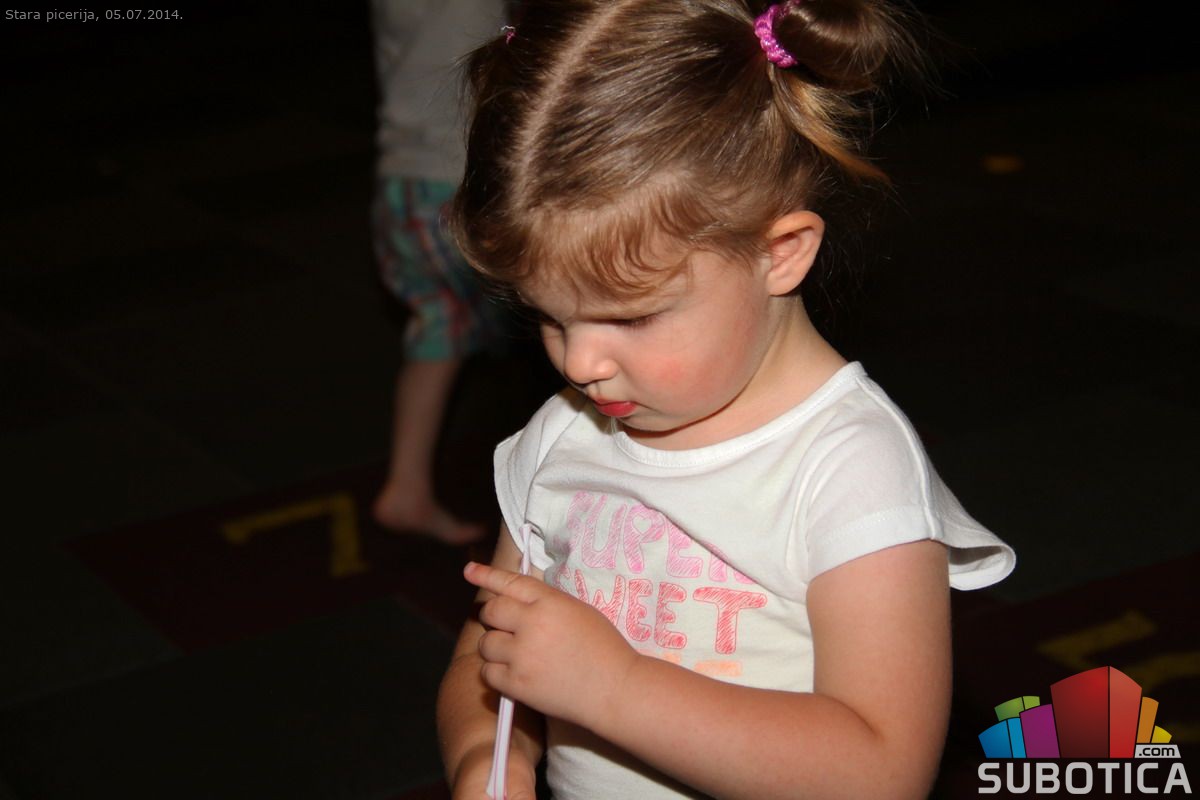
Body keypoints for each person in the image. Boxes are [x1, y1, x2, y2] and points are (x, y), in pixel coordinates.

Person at [438, 1, 1016, 798]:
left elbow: (883, 772)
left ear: (782, 254)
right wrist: (489, 761)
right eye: (549, 317)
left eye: (631, 316)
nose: (580, 362)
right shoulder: (564, 434)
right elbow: (487, 653)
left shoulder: (850, 470)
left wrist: (615, 689)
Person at [369, 0, 509, 545]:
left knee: (440, 325)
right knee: (547, 326)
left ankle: (406, 485)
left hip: (401, 186)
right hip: (462, 185)